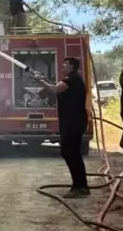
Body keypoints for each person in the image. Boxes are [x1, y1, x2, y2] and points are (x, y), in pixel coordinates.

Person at [35, 57, 90, 198]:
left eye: (65, 64)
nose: (62, 66)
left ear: (72, 66)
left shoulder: (72, 79)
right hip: (74, 121)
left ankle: (79, 187)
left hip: (74, 122)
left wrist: (40, 81)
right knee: (72, 153)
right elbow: (58, 87)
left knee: (69, 152)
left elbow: (55, 89)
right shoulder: (71, 79)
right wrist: (44, 79)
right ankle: (81, 186)